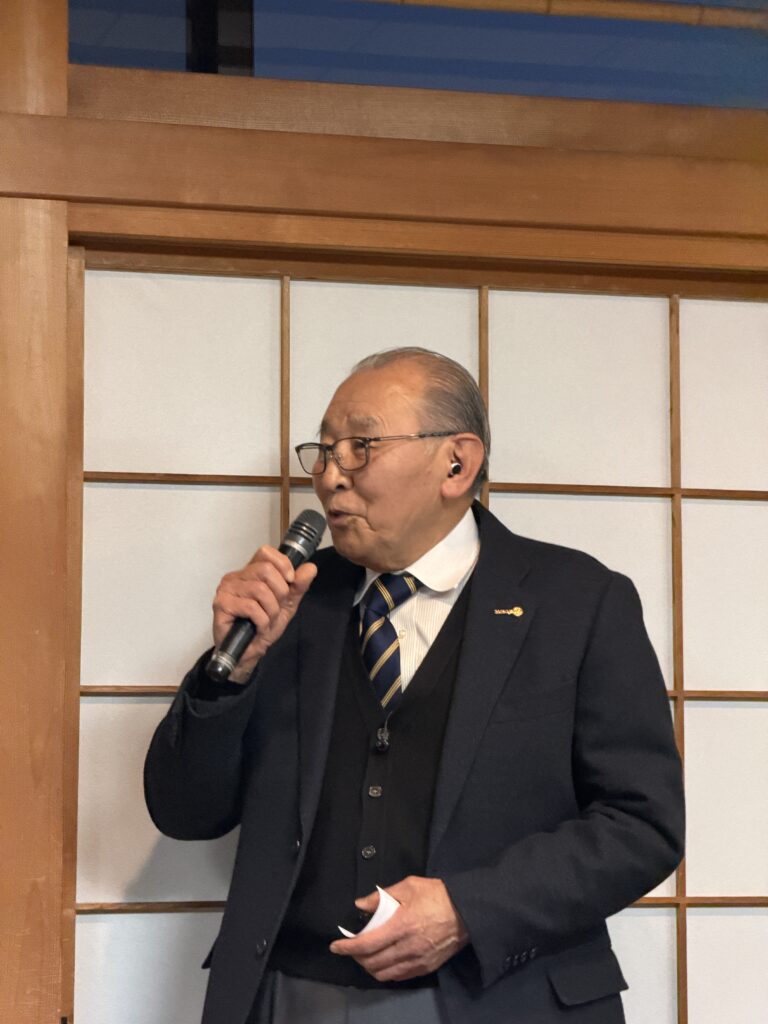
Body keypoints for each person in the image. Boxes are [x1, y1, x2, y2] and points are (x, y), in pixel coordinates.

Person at [144, 347, 684, 1024]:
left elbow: (642, 825)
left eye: (360, 446)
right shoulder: (288, 604)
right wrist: (232, 675)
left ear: (457, 463)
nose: (330, 476)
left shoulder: (578, 602)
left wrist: (468, 910)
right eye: (324, 450)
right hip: (292, 992)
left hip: (503, 998)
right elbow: (184, 812)